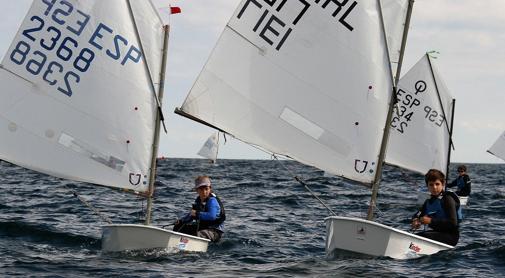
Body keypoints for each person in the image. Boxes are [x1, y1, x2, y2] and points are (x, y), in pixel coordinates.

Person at [411, 169, 461, 246]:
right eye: (431, 184)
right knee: (414, 236)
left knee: (422, 237)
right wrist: (415, 220)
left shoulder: (447, 199)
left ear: (443, 184)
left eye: (437, 184)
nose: (434, 187)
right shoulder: (428, 202)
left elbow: (453, 223)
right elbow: (417, 214)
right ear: (427, 186)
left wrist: (431, 221)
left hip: (451, 237)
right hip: (437, 234)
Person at [173, 175, 225, 242]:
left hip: (215, 231)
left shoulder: (212, 201)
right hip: (204, 228)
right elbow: (192, 215)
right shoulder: (198, 201)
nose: (204, 192)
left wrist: (197, 214)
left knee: (196, 235)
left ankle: (184, 245)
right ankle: (175, 242)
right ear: (196, 190)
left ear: (210, 189)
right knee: (178, 227)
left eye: (206, 189)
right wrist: (181, 221)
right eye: (201, 189)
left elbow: (212, 216)